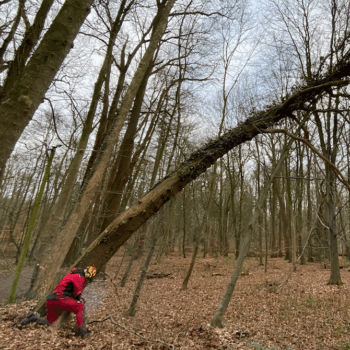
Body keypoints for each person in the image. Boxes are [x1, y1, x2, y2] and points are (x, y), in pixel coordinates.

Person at [20, 266, 97, 337]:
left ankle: (33, 317)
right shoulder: (80, 277)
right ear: (88, 274)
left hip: (51, 300)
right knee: (81, 307)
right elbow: (77, 293)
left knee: (49, 322)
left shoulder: (72, 274)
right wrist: (79, 300)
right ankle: (82, 332)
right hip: (60, 299)